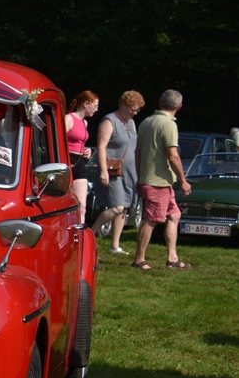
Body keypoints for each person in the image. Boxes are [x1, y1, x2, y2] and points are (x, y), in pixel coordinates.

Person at [131, 89, 192, 270]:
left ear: (159, 102)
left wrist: (140, 177)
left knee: (174, 215)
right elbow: (173, 156)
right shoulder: (168, 124)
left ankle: (172, 258)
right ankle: (139, 259)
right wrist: (183, 180)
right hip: (158, 182)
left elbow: (138, 153)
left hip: (156, 180)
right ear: (179, 107)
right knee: (151, 219)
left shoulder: (146, 122)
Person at [90, 91, 146, 254]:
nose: (135, 113)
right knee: (118, 207)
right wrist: (103, 171)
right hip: (113, 171)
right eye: (132, 109)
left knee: (125, 207)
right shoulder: (109, 121)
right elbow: (101, 147)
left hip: (130, 172)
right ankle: (90, 234)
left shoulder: (131, 123)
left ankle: (114, 245)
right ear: (122, 105)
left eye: (137, 110)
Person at [65, 91, 100, 223]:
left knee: (82, 206)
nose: (96, 110)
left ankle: (80, 232)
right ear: (86, 104)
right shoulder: (69, 119)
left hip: (79, 162)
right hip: (67, 160)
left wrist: (87, 151)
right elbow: (57, 141)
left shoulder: (84, 123)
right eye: (95, 106)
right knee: (66, 203)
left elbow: (80, 142)